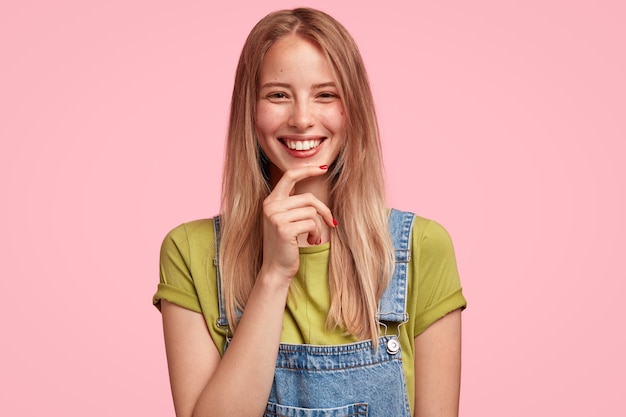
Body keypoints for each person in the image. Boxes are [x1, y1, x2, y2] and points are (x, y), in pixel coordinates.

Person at [153, 7, 466, 417]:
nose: (302, 119)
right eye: (278, 94)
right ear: (250, 109)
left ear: (352, 109)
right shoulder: (189, 252)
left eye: (325, 94)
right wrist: (273, 276)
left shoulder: (422, 248)